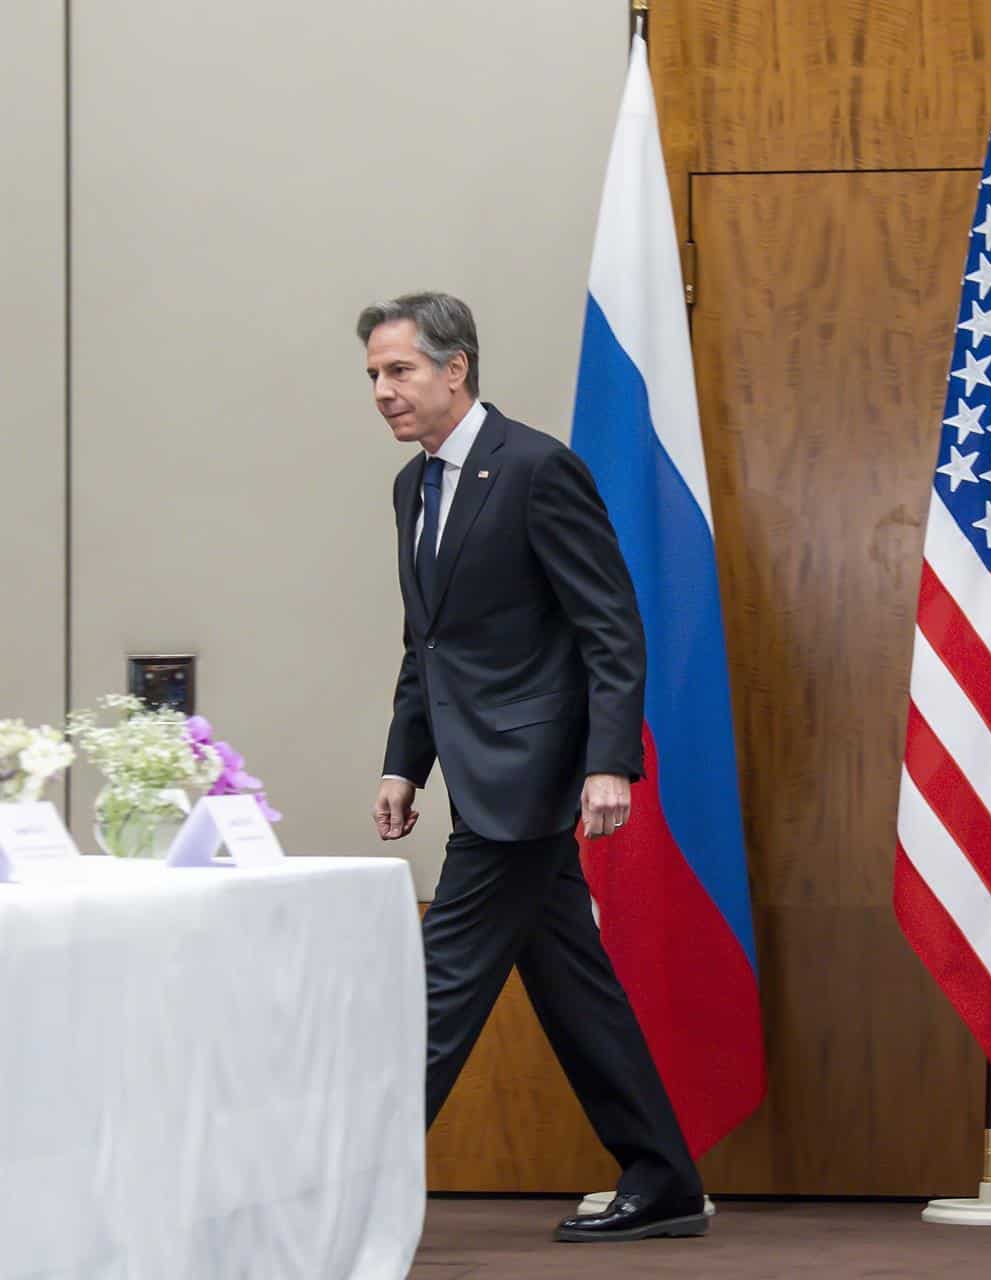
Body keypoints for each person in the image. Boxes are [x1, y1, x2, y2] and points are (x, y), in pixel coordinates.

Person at [361, 291, 705, 1244]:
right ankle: (664, 1176)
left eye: (400, 371)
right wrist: (405, 765)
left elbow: (609, 624)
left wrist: (609, 763)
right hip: (477, 771)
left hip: (530, 775)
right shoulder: (411, 487)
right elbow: (426, 647)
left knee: (436, 987)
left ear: (456, 367)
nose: (384, 393)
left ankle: (347, 1187)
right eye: (375, 377)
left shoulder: (536, 467)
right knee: (571, 984)